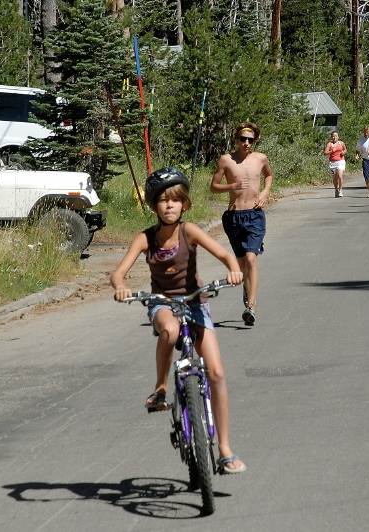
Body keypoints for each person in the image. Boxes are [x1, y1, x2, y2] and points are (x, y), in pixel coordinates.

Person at [111, 167, 247, 474]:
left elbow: (224, 256)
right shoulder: (145, 238)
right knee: (170, 331)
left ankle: (225, 450)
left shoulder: (191, 231)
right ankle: (160, 387)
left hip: (195, 301)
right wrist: (120, 287)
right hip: (162, 303)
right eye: (162, 200)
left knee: (216, 373)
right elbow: (117, 272)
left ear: (184, 204)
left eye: (175, 200)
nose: (169, 206)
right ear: (153, 205)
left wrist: (232, 269)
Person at [210, 122, 273, 326]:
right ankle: (247, 287)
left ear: (255, 141)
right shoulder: (226, 160)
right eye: (243, 139)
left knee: (251, 259)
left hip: (255, 216)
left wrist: (264, 193)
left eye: (250, 140)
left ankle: (251, 307)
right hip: (234, 216)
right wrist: (232, 185)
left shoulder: (260, 158)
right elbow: (214, 187)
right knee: (242, 265)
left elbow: (269, 176)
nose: (246, 143)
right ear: (236, 139)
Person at [323, 131, 347, 197]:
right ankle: (336, 189)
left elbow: (345, 149)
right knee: (334, 178)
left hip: (340, 161)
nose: (334, 137)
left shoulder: (341, 143)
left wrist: (343, 152)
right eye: (333, 136)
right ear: (331, 137)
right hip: (332, 162)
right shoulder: (329, 144)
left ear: (338, 137)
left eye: (336, 136)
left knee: (340, 176)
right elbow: (325, 153)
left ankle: (340, 190)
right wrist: (331, 151)